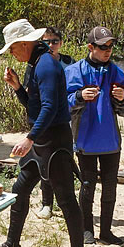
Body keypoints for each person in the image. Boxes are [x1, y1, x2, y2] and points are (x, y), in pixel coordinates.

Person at [0, 19, 88, 247]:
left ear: (24, 43)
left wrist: (29, 138)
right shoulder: (35, 63)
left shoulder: (46, 64)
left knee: (66, 199)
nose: (12, 53)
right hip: (42, 140)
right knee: (20, 188)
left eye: (13, 48)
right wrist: (17, 88)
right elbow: (34, 105)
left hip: (54, 141)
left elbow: (49, 108)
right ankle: (12, 245)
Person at [65, 26, 124, 245]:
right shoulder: (74, 71)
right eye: (103, 46)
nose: (108, 50)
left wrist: (122, 98)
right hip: (85, 140)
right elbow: (62, 103)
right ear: (90, 47)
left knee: (110, 187)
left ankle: (106, 231)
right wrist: (79, 95)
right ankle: (87, 230)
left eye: (110, 46)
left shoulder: (118, 72)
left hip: (111, 142)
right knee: (87, 186)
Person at [36, 27, 75, 221]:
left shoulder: (69, 62)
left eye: (55, 41)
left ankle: (67, 203)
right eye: (47, 41)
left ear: (61, 42)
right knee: (46, 163)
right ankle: (46, 203)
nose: (51, 45)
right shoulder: (38, 63)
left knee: (64, 161)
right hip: (46, 121)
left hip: (66, 117)